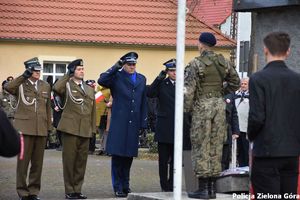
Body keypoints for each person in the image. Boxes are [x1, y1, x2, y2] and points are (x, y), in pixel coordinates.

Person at [184, 32, 240, 199]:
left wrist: (186, 110)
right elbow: (236, 82)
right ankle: (212, 189)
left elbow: (188, 91)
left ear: (201, 44)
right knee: (216, 146)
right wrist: (220, 93)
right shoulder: (224, 62)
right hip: (219, 107)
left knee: (201, 146)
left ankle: (202, 189)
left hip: (202, 108)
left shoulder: (195, 64)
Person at [248, 32, 300, 199]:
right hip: (292, 153)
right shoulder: (297, 79)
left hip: (267, 152)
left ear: (265, 50)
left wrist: (251, 136)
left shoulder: (258, 79)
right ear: (288, 51)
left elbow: (257, 117)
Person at [98, 52, 147, 198]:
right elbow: (102, 80)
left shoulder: (141, 79)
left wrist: (143, 123)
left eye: (134, 64)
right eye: (129, 64)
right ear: (124, 64)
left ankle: (126, 184)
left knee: (129, 156)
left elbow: (143, 101)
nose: (132, 66)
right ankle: (117, 186)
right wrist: (116, 66)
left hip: (133, 122)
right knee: (118, 156)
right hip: (119, 122)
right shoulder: (116, 77)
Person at [5, 57, 52, 200]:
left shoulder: (45, 86)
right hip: (24, 129)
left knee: (37, 164)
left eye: (39, 70)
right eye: (35, 70)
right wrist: (24, 76)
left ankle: (33, 191)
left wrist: (48, 128)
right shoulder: (20, 85)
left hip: (41, 129)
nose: (38, 72)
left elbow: (47, 108)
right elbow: (8, 87)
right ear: (28, 70)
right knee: (23, 162)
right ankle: (22, 192)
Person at [53, 59, 96, 199]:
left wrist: (93, 131)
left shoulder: (89, 89)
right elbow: (56, 88)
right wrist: (67, 74)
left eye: (82, 69)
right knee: (69, 160)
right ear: (72, 71)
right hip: (70, 129)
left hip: (84, 129)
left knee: (81, 162)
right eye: (78, 69)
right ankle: (69, 190)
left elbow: (92, 111)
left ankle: (77, 189)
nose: (82, 71)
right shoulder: (66, 85)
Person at [147, 58, 176, 192]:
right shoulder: (162, 84)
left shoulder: (185, 84)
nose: (174, 73)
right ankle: (164, 186)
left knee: (176, 161)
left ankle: (172, 185)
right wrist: (158, 78)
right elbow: (150, 93)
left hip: (179, 128)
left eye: (176, 70)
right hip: (164, 127)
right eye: (171, 70)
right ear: (167, 72)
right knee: (163, 161)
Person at [222, 93, 239, 170]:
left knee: (225, 157)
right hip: (213, 131)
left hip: (226, 130)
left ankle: (223, 178)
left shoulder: (229, 94)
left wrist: (235, 131)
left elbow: (234, 113)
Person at [235, 78, 250, 167]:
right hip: (237, 128)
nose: (243, 85)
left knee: (246, 150)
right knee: (239, 150)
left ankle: (247, 167)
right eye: (242, 84)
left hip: (246, 128)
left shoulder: (252, 96)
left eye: (245, 84)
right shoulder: (236, 95)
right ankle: (241, 166)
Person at [85, 79, 97, 155]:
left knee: (93, 132)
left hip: (94, 115)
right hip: (87, 114)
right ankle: (89, 147)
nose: (92, 87)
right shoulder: (85, 93)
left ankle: (91, 148)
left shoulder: (96, 94)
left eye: (92, 86)